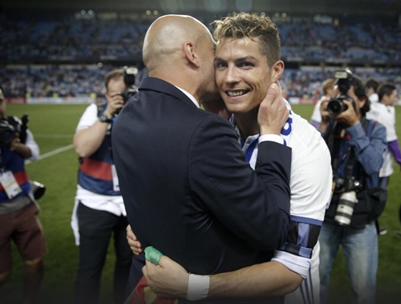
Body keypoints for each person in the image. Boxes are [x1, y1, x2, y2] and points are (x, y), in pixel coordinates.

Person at [127, 12, 332, 304]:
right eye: (221, 64)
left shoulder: (305, 148)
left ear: (276, 70)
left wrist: (192, 287)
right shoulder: (213, 134)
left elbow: (289, 270)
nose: (230, 78)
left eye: (245, 64)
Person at [318, 71, 387, 304]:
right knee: (317, 280)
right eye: (338, 98)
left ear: (361, 101)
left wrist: (355, 127)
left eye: (346, 98)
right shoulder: (331, 128)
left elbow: (373, 165)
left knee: (363, 287)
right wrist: (325, 124)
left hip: (360, 216)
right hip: (326, 213)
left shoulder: (375, 128)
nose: (341, 103)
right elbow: (312, 164)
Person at [71, 69, 132, 304]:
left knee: (128, 263)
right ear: (106, 95)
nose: (120, 99)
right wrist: (107, 114)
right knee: (90, 267)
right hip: (94, 200)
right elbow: (83, 148)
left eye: (124, 94)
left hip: (128, 202)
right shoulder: (94, 112)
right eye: (115, 95)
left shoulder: (137, 113)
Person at [0, 85, 44, 304]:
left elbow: (33, 152)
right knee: (2, 275)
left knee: (35, 263)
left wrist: (15, 145)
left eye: (0, 101)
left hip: (23, 204)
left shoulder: (14, 126)